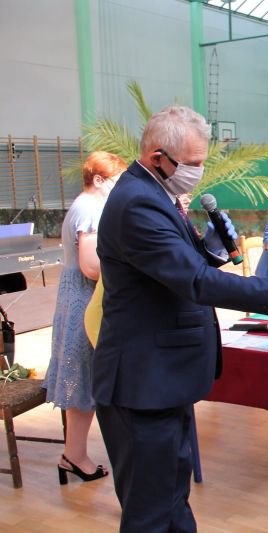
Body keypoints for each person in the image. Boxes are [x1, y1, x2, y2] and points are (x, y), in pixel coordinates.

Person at [92, 105, 268, 532]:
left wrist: (208, 248)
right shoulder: (137, 202)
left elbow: (173, 269)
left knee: (173, 501)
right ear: (158, 157)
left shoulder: (154, 193)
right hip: (141, 382)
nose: (199, 171)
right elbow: (195, 282)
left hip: (163, 377)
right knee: (150, 513)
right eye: (193, 163)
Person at [42, 151, 126, 485]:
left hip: (81, 295)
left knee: (85, 377)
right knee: (82, 375)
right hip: (84, 297)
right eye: (115, 181)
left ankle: (73, 454)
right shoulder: (89, 207)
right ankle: (73, 455)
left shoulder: (89, 205)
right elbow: (91, 266)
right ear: (99, 179)